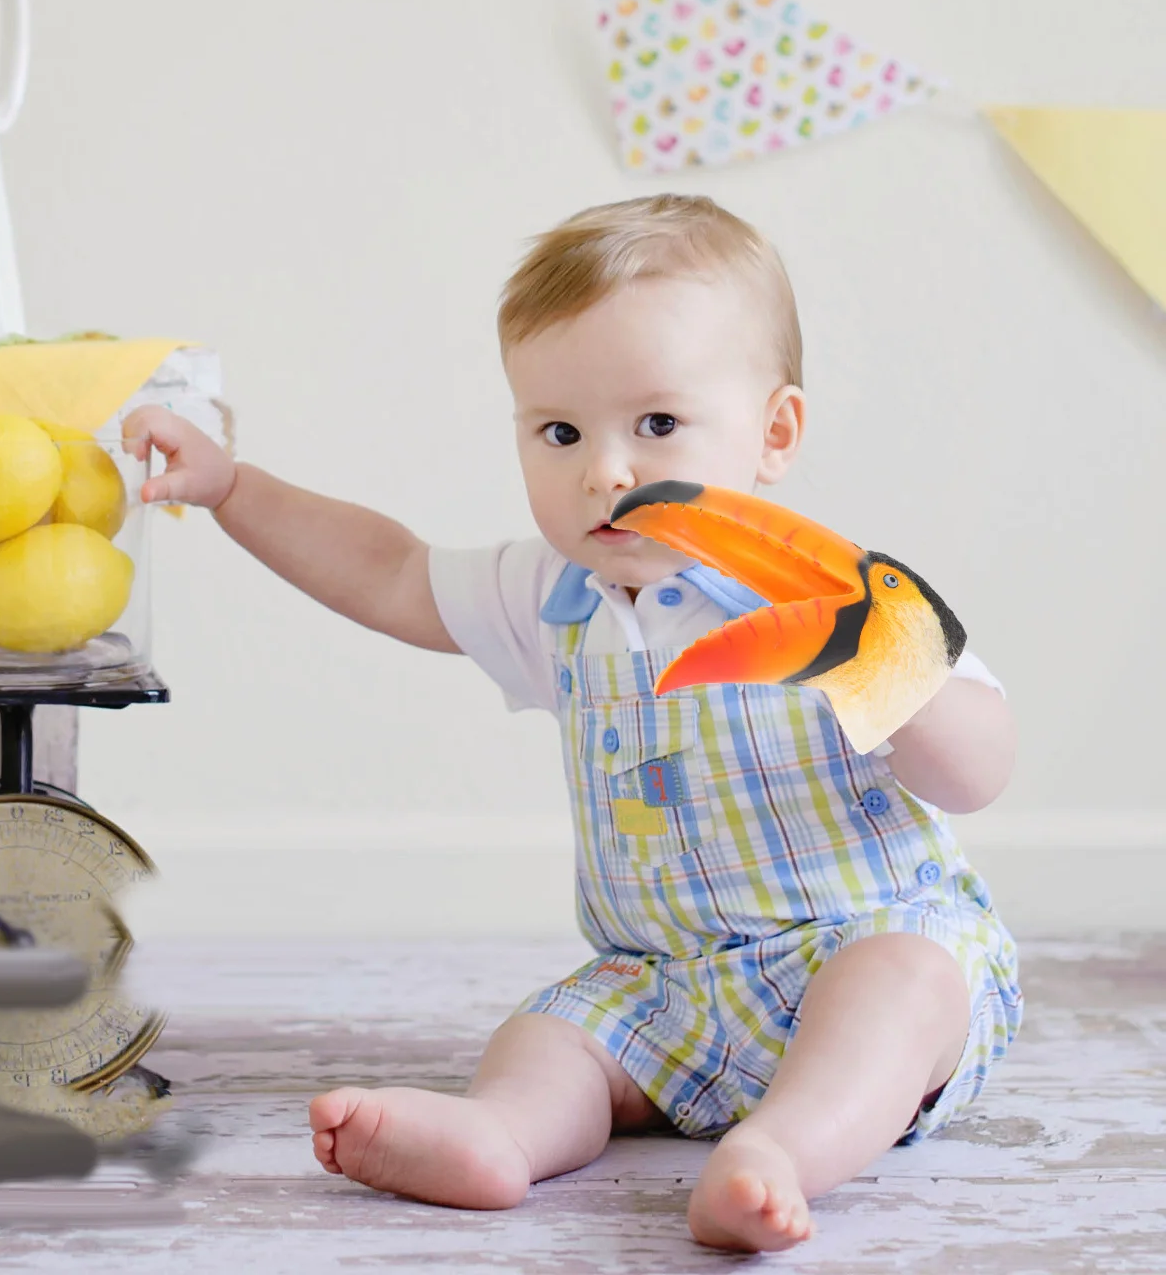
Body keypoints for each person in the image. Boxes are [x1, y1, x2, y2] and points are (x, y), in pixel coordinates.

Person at [121, 194, 1021, 1252]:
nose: (605, 470)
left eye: (656, 424)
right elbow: (390, 570)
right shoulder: (558, 595)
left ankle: (780, 1149)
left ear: (772, 433)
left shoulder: (836, 594)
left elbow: (979, 769)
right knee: (557, 1034)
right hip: (666, 983)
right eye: (560, 431)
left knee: (902, 986)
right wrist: (231, 487)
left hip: (859, 944)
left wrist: (885, 664)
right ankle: (500, 1134)